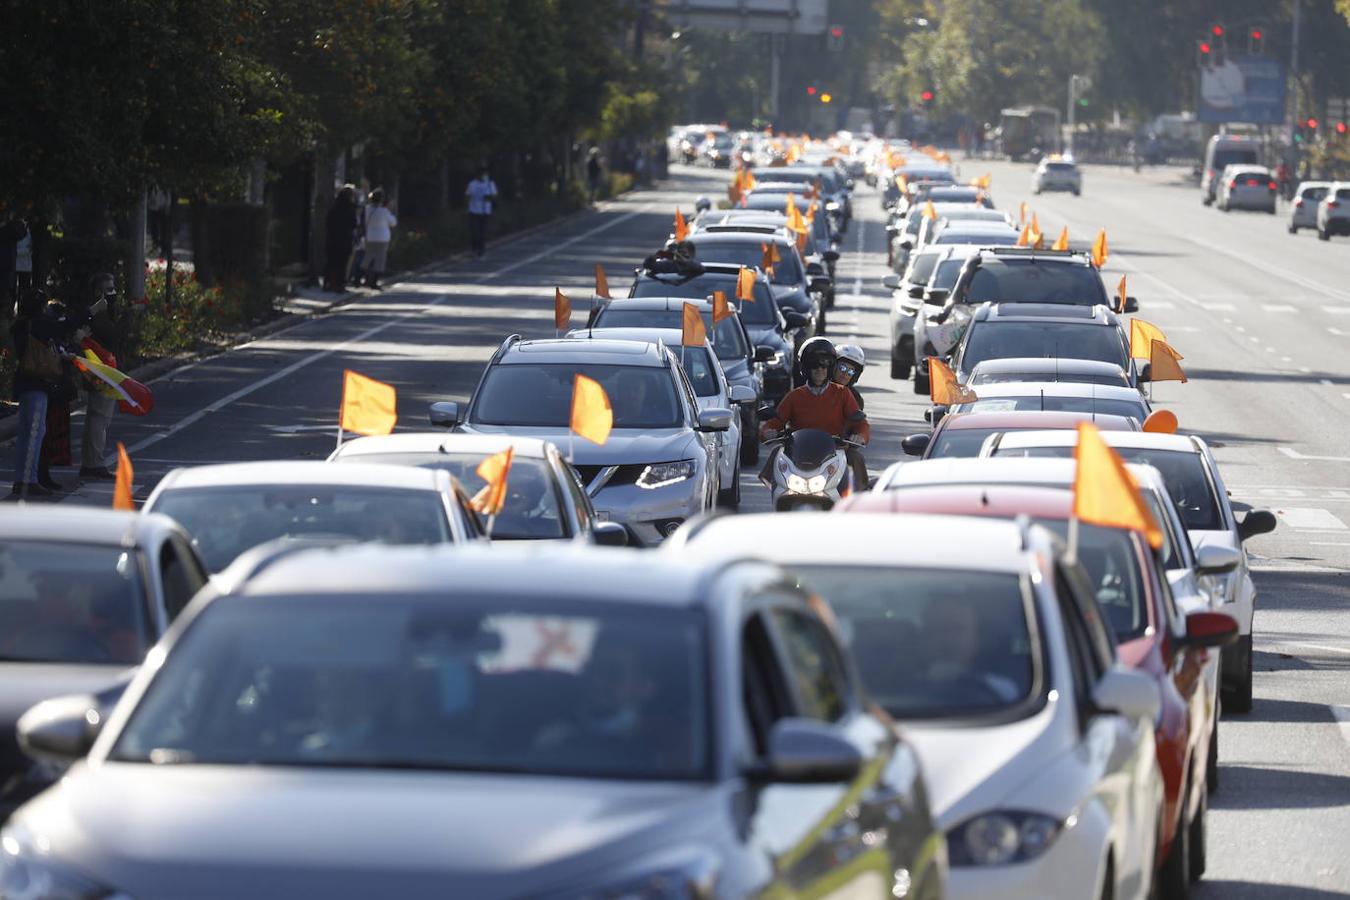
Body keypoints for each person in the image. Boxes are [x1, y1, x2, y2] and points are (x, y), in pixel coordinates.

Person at [760, 337, 870, 490]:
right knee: (777, 453)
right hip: (797, 455)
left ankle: (857, 502)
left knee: (856, 458)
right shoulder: (794, 396)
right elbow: (774, 422)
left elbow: (861, 424)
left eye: (825, 366)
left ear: (831, 368)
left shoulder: (844, 394)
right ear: (805, 368)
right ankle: (778, 492)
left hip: (835, 454)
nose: (820, 370)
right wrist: (767, 432)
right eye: (815, 366)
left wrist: (860, 436)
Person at [8, 289, 62, 497]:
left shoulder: (20, 325)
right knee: (35, 432)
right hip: (36, 382)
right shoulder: (37, 325)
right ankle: (28, 480)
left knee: (26, 433)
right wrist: (88, 313)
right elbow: (61, 327)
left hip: (24, 382)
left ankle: (21, 478)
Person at [79, 273, 131, 480]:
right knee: (99, 418)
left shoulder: (106, 313)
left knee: (100, 418)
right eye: (108, 289)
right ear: (97, 292)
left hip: (106, 371)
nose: (113, 293)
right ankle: (94, 463)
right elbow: (112, 337)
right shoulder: (97, 316)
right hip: (101, 373)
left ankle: (92, 461)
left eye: (113, 288)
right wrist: (126, 317)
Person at [323, 185, 358, 293]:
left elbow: (328, 222)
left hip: (332, 238)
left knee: (331, 262)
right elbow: (353, 223)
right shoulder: (351, 208)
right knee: (342, 263)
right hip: (345, 239)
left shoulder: (334, 207)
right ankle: (339, 284)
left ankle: (328, 283)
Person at [361, 188, 397, 289]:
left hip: (369, 237)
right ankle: (374, 282)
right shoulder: (384, 211)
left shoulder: (367, 209)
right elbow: (393, 222)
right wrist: (390, 209)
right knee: (379, 260)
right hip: (382, 238)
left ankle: (358, 279)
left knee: (367, 258)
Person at [465, 167, 498, 258]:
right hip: (474, 211)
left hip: (485, 211)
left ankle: (481, 249)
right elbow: (467, 196)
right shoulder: (472, 184)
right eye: (483, 174)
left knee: (482, 232)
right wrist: (466, 207)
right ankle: (474, 248)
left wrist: (489, 197)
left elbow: (494, 196)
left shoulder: (490, 184)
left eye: (486, 174)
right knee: (475, 232)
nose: (484, 176)